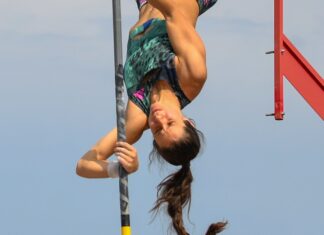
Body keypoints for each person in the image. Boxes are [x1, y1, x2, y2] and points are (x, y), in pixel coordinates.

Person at [76, 0, 226, 234]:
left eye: (157, 131)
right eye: (170, 122)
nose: (158, 120)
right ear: (189, 121)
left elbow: (84, 165)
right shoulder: (191, 74)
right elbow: (173, 11)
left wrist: (118, 169)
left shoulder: (138, 115)